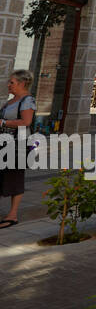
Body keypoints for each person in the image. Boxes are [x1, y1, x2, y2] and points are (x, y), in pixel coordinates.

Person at [1, 70, 36, 227]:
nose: (8, 85)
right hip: (4, 143)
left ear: (22, 84)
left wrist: (4, 123)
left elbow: (26, 122)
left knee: (14, 177)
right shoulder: (12, 100)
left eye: (12, 82)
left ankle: (12, 215)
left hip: (18, 145)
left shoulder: (27, 100)